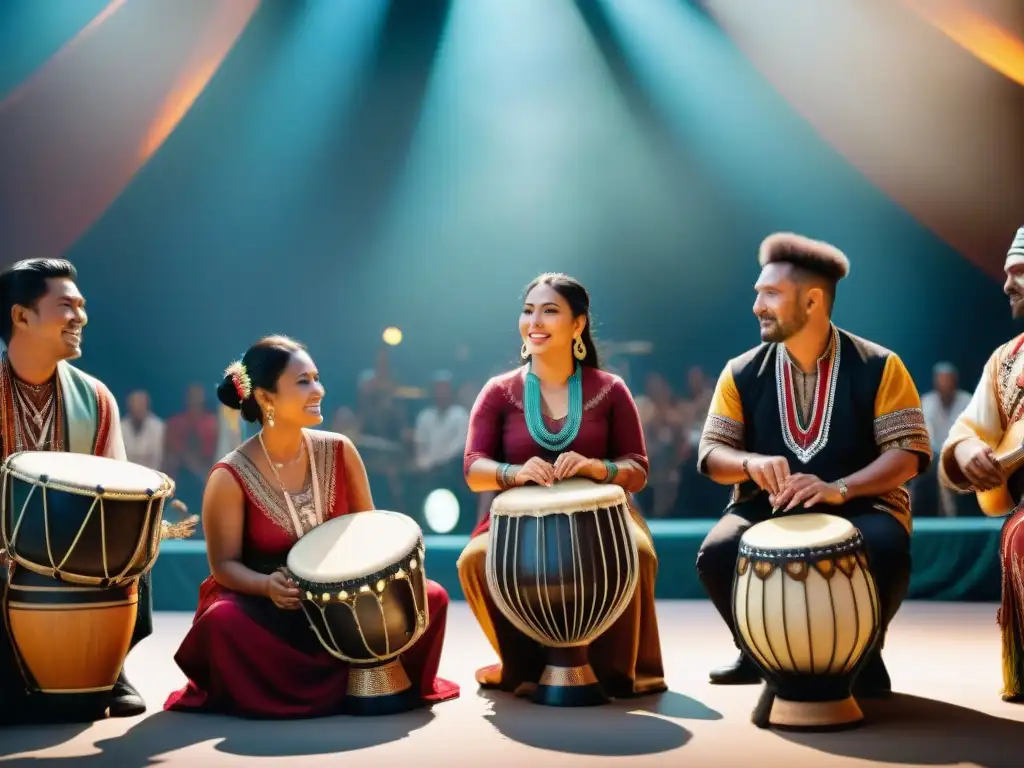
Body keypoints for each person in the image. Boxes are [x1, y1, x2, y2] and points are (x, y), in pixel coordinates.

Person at [164, 336, 459, 717]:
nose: (317, 389)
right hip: (271, 609)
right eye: (302, 381)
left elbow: (368, 531)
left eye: (316, 377)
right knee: (221, 623)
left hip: (343, 605)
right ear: (267, 398)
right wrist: (267, 586)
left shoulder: (340, 450)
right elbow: (224, 567)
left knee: (430, 596)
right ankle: (347, 679)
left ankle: (358, 669)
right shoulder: (229, 476)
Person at [694, 233, 931, 697]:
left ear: (813, 300)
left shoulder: (881, 365)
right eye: (758, 294)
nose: (758, 306)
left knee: (885, 549)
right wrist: (751, 462)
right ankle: (756, 650)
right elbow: (712, 455)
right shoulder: (740, 371)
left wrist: (837, 489)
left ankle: (865, 654)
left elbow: (908, 455)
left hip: (862, 501)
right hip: (771, 502)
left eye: (771, 294)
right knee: (716, 554)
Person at [457, 273, 666, 698]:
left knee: (639, 552)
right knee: (474, 560)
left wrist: (596, 468)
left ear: (577, 325)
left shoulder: (610, 390)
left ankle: (618, 670)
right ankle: (522, 668)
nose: (534, 320)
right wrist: (514, 474)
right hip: (516, 524)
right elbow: (473, 467)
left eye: (550, 311)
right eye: (528, 310)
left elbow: (638, 469)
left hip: (606, 519)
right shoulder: (499, 391)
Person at [0, 258, 148, 721]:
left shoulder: (96, 397)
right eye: (66, 305)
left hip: (77, 549)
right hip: (2, 549)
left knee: (136, 541)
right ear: (22, 316)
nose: (80, 316)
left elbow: (118, 488)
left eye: (82, 305)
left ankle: (112, 666)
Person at [939, 225, 1024, 702]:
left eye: (1019, 272)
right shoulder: (1005, 361)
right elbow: (965, 432)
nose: (1007, 284)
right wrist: (968, 452)